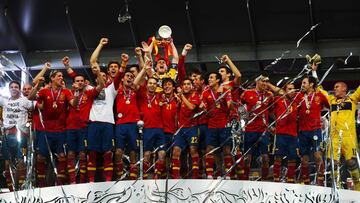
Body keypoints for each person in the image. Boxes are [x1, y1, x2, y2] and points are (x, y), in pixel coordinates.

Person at [29, 67, 79, 186]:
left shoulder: (66, 92)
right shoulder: (44, 91)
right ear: (52, 78)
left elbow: (74, 104)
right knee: (41, 157)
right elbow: (30, 97)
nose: (62, 78)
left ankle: (59, 183)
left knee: (62, 156)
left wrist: (76, 92)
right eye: (59, 76)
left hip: (60, 130)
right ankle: (41, 184)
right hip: (45, 131)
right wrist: (37, 85)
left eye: (62, 76)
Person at [313, 65, 360, 190]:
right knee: (333, 164)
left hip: (348, 137)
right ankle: (337, 189)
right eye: (334, 88)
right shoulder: (331, 100)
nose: (334, 90)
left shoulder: (352, 100)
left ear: (344, 88)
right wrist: (314, 71)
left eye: (337, 87)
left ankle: (358, 188)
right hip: (334, 138)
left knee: (352, 163)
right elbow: (318, 88)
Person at [65, 65, 104, 184]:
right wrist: (76, 91)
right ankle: (72, 182)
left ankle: (81, 182)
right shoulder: (69, 92)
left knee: (82, 155)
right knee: (71, 154)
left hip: (84, 127)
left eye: (82, 81)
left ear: (85, 82)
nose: (80, 83)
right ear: (74, 83)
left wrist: (98, 74)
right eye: (77, 81)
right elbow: (74, 104)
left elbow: (101, 86)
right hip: (71, 127)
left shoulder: (89, 93)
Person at [0, 81, 33, 191]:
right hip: (7, 136)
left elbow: (39, 105)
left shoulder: (25, 100)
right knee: (7, 162)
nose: (14, 89)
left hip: (21, 136)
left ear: (20, 89)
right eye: (12, 87)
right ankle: (11, 189)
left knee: (21, 160)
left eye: (16, 87)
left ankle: (21, 187)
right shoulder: (4, 101)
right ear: (9, 89)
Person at [296, 75, 329, 186]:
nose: (302, 85)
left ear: (311, 84)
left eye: (304, 83)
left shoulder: (320, 96)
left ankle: (320, 184)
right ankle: (306, 184)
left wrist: (325, 120)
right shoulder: (299, 96)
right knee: (304, 159)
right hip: (302, 132)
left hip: (315, 130)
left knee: (318, 156)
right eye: (302, 83)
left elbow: (330, 107)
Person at [136, 61, 166, 179]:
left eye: (154, 83)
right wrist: (144, 69)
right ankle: (145, 177)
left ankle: (157, 177)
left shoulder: (160, 96)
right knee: (147, 154)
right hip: (147, 129)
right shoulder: (142, 95)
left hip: (159, 129)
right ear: (147, 84)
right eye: (150, 83)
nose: (152, 85)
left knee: (162, 154)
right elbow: (135, 83)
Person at [240, 73, 273, 180]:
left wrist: (275, 124)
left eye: (266, 81)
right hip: (250, 130)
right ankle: (244, 180)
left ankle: (264, 181)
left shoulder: (270, 95)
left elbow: (272, 112)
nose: (265, 83)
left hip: (263, 131)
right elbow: (239, 108)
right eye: (263, 81)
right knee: (247, 158)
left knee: (265, 158)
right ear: (257, 81)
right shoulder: (247, 93)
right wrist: (242, 121)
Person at [201, 72, 233, 179]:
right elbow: (205, 109)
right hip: (211, 125)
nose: (209, 79)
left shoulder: (225, 90)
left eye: (211, 77)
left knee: (226, 150)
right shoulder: (205, 93)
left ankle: (228, 174)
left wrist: (227, 100)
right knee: (210, 149)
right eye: (209, 77)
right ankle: (211, 174)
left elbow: (230, 107)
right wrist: (202, 107)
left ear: (218, 80)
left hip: (224, 125)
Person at [268, 83, 299, 183]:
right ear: (285, 90)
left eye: (293, 89)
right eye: (289, 89)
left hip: (293, 134)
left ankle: (290, 180)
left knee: (292, 158)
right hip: (281, 133)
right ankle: (276, 180)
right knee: (278, 156)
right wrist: (277, 119)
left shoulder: (297, 100)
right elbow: (270, 111)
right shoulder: (278, 100)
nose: (292, 91)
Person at [171, 78, 200, 179]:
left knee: (193, 150)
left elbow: (191, 107)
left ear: (192, 86)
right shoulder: (179, 98)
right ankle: (175, 178)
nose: (186, 86)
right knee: (176, 151)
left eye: (188, 84)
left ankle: (195, 177)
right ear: (182, 86)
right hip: (181, 129)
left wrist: (181, 96)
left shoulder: (195, 95)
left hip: (192, 128)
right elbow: (177, 114)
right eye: (184, 84)